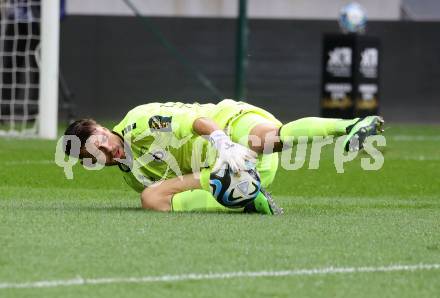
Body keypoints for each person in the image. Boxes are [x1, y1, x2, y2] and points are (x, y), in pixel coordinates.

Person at [63, 99, 384, 215]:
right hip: (234, 170)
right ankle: (247, 196)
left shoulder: (140, 122)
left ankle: (351, 125)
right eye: (98, 153)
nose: (108, 150)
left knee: (265, 139)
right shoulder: (133, 176)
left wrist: (224, 144)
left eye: (101, 140)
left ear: (103, 128)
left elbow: (198, 123)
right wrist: (214, 175)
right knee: (151, 199)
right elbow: (181, 191)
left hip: (228, 124)